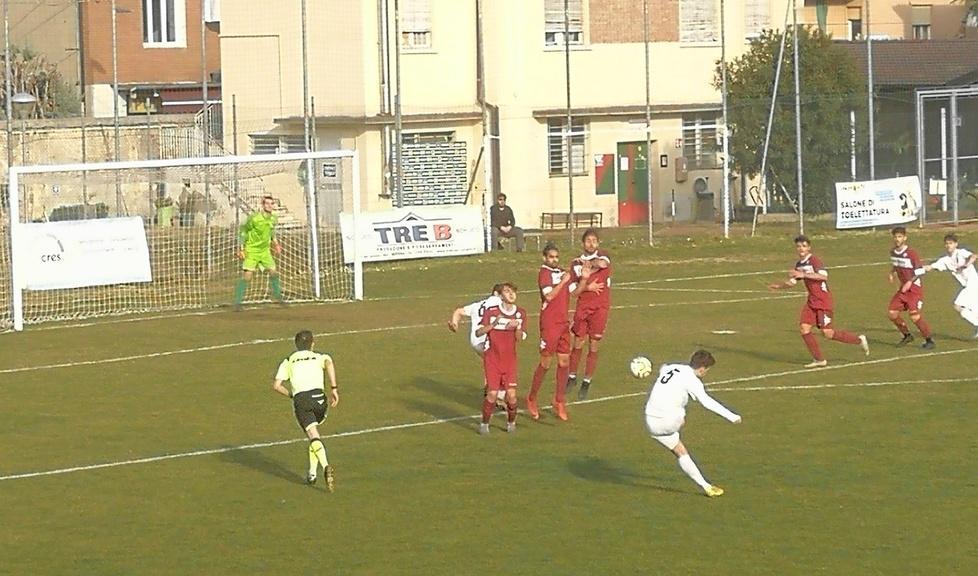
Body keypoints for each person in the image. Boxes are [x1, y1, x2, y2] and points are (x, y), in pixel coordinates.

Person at [644, 350, 741, 497]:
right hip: (669, 421)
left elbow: (663, 367)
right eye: (707, 370)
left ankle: (706, 486)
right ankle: (679, 419)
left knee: (680, 451)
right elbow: (706, 402)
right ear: (702, 369)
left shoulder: (672, 367)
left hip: (650, 421)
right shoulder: (692, 380)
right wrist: (732, 416)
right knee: (680, 413)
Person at [768, 235, 869, 368]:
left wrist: (803, 275)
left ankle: (858, 340)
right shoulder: (799, 264)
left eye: (804, 246)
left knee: (827, 333)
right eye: (798, 246)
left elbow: (823, 276)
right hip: (811, 301)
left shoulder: (815, 261)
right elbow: (792, 282)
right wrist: (778, 286)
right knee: (804, 328)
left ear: (809, 248)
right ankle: (819, 359)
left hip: (823, 301)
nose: (801, 249)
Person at [271, 330, 340, 491]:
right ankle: (312, 474)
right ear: (312, 344)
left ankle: (325, 466)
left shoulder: (289, 360)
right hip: (320, 400)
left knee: (313, 435)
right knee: (313, 433)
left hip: (303, 400)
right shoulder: (319, 356)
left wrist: (291, 395)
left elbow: (276, 385)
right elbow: (329, 364)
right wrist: (334, 389)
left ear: (296, 345)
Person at [527, 242, 573, 421]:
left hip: (563, 322)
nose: (554, 260)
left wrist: (585, 280)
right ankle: (532, 397)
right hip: (550, 323)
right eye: (551, 257)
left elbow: (574, 291)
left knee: (564, 361)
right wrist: (563, 281)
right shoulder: (544, 273)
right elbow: (549, 296)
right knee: (546, 362)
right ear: (545, 258)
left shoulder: (561, 272)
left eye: (556, 257)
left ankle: (559, 400)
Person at [475, 283, 527, 435]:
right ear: (501, 296)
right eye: (507, 291)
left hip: (510, 361)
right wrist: (494, 324)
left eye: (513, 291)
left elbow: (520, 338)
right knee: (492, 394)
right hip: (493, 359)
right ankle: (484, 424)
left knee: (511, 396)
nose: (511, 294)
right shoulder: (492, 312)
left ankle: (511, 423)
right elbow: (478, 332)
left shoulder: (520, 314)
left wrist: (517, 327)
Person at [566, 228, 612, 400]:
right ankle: (572, 376)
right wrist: (587, 286)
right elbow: (573, 292)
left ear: (598, 243)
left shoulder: (603, 256)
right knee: (578, 342)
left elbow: (602, 264)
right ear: (583, 243)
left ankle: (586, 381)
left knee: (594, 344)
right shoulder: (575, 264)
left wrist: (587, 263)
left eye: (594, 241)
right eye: (588, 241)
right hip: (583, 307)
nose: (591, 244)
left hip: (600, 308)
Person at [448, 284, 507, 406]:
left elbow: (459, 311)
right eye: (505, 292)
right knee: (503, 365)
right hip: (487, 341)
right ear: (497, 294)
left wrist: (455, 324)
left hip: (475, 342)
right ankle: (498, 396)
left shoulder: (478, 304)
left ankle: (489, 386)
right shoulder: (499, 303)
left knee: (490, 362)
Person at [913, 233, 978, 338]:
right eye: (947, 243)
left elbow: (974, 256)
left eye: (951, 243)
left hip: (973, 284)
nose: (948, 246)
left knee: (957, 305)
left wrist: (967, 264)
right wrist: (918, 270)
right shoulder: (945, 260)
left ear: (956, 244)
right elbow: (931, 267)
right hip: (967, 286)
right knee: (973, 310)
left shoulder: (961, 253)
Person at [887, 227, 935, 349]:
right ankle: (907, 335)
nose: (897, 239)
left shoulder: (912, 253)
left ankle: (929, 340)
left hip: (914, 289)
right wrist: (892, 272)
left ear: (905, 238)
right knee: (892, 313)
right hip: (903, 289)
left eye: (900, 237)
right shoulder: (893, 252)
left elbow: (919, 271)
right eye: (895, 237)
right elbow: (896, 264)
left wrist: (909, 282)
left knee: (914, 316)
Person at [234, 196, 284, 310]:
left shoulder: (273, 218)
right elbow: (243, 231)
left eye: (272, 203)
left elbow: (272, 232)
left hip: (265, 251)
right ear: (263, 205)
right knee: (248, 276)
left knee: (273, 271)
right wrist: (241, 248)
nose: (270, 206)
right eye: (267, 203)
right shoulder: (255, 218)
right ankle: (237, 302)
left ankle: (278, 297)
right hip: (252, 250)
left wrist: (276, 244)